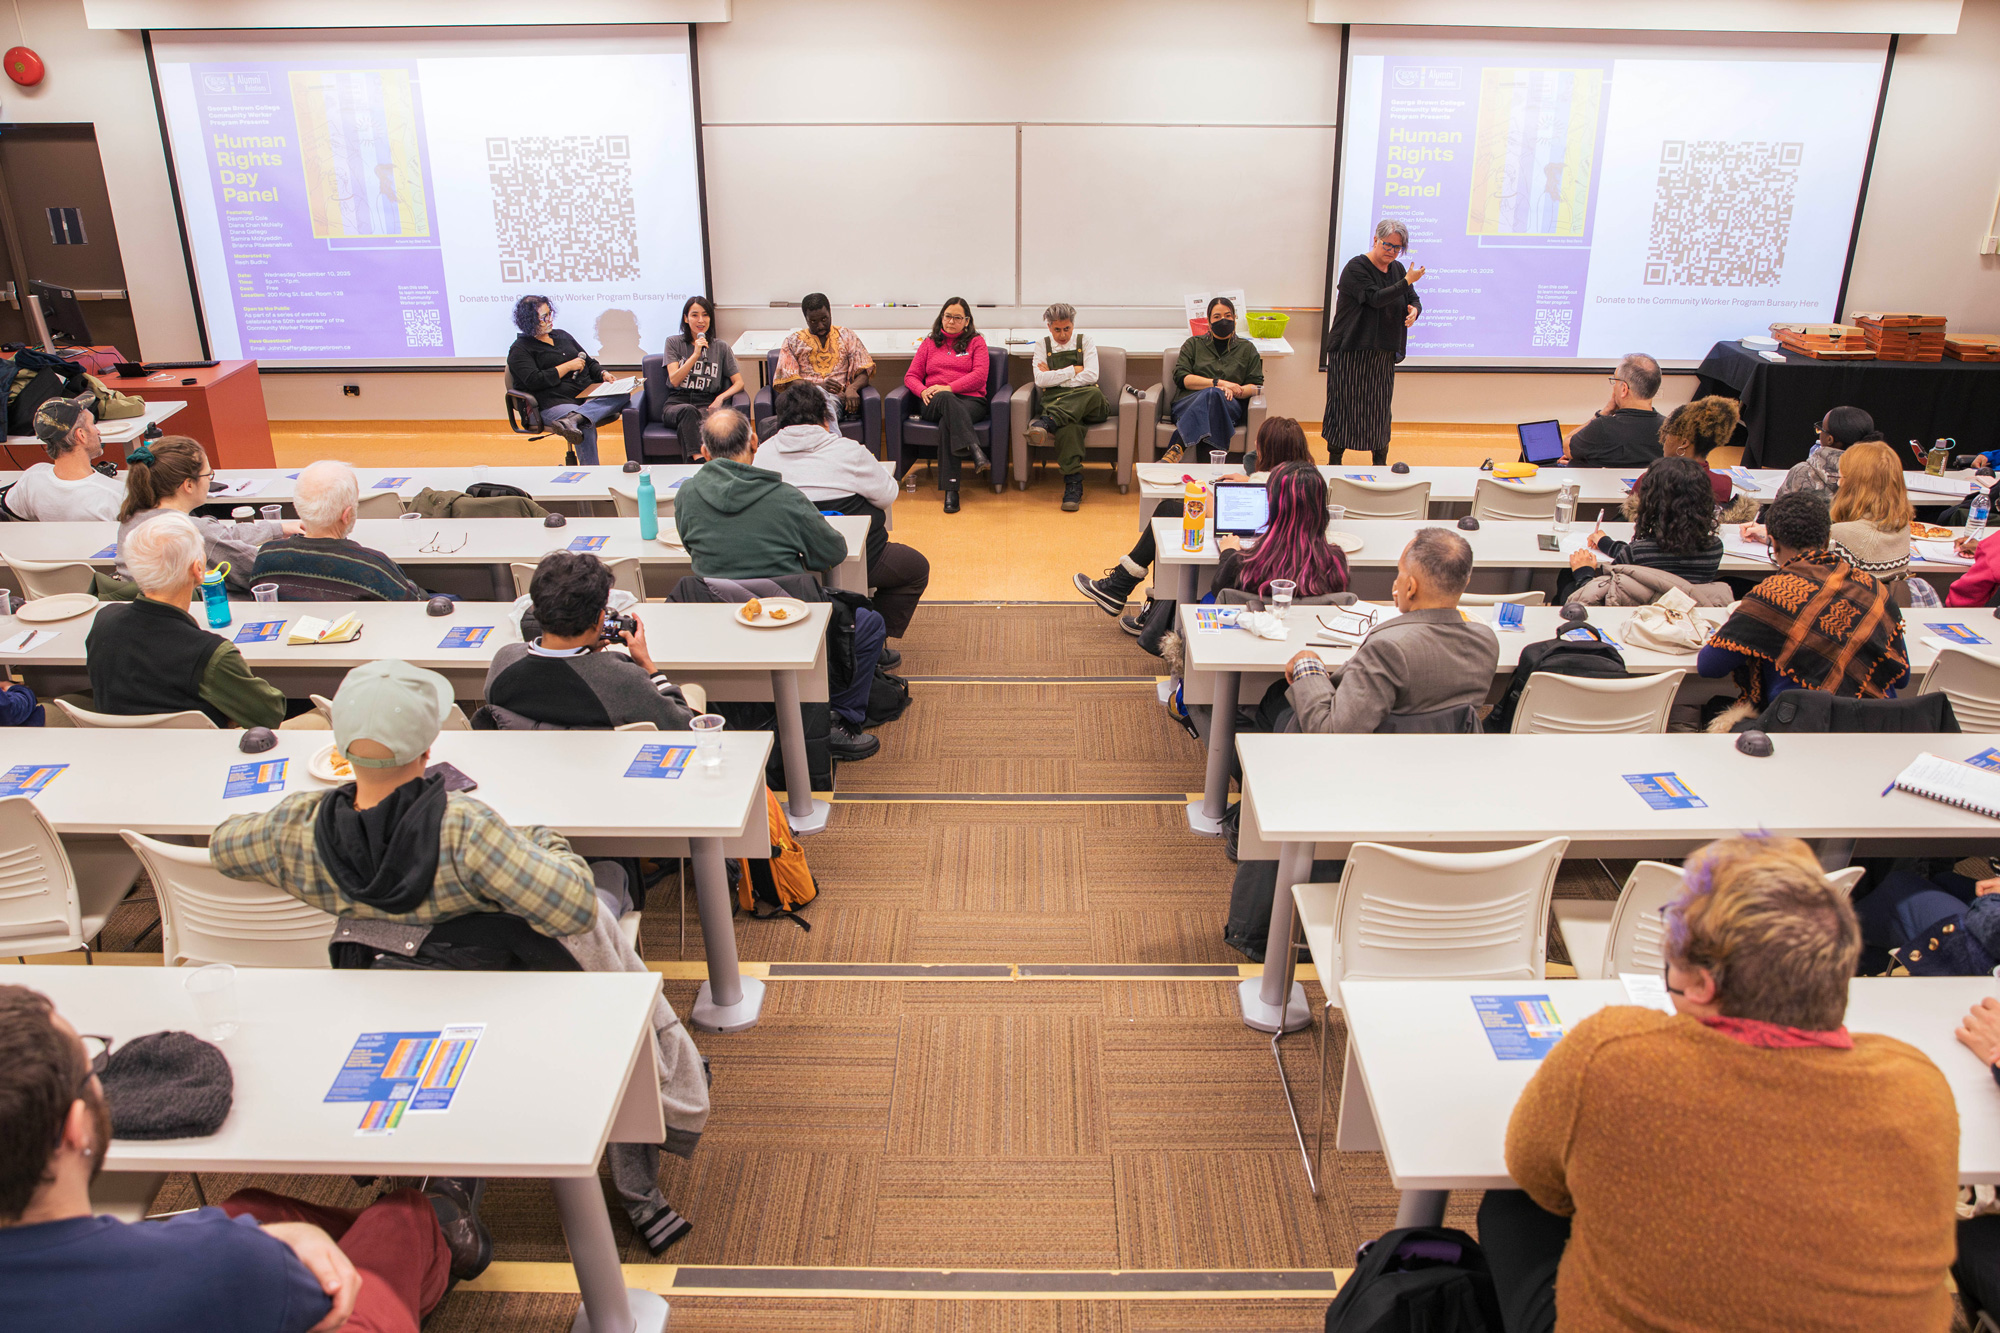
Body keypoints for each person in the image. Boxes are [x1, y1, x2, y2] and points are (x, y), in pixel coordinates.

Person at [209, 661, 703, 1256]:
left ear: (339, 748)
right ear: (428, 749)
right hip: (502, 996)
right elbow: (572, 907)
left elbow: (223, 845)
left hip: (380, 989)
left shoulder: (298, 828)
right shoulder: (464, 829)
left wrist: (295, 812)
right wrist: (542, 840)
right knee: (607, 884)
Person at [1480, 835, 1958, 1333]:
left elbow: (1536, 1175)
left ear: (1702, 983)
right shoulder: (1918, 1084)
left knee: (1513, 1204)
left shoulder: (1612, 1054)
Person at [0, 984, 491, 1333]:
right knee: (401, 1217)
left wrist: (261, 1242)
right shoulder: (223, 1263)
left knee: (252, 1208)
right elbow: (323, 1298)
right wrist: (264, 1253)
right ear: (75, 1127)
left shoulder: (216, 1254)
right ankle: (435, 1234)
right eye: (93, 1067)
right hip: (272, 1294)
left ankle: (433, 1239)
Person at [679, 410, 878, 760]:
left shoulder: (687, 494)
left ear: (704, 452)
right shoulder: (784, 496)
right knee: (869, 625)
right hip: (786, 621)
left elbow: (690, 547)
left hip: (713, 621)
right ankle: (838, 719)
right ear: (755, 442)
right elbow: (832, 552)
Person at [1073, 416, 1317, 635]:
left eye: (1259, 442)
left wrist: (1205, 490)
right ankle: (1134, 596)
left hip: (1249, 567)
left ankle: (1128, 591)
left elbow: (1221, 517)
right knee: (1169, 513)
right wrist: (1249, 479)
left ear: (1269, 451)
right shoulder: (1307, 481)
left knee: (1169, 513)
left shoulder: (1265, 488)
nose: (1254, 444)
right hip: (1282, 569)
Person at [1698, 491, 1910, 710]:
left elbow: (1709, 666)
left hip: (1803, 723)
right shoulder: (1874, 589)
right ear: (1827, 539)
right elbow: (1902, 677)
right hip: (1877, 722)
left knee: (1714, 708)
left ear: (1774, 545)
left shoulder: (1772, 596)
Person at [753, 381, 930, 640]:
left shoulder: (763, 454)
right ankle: (867, 637)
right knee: (915, 569)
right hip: (855, 559)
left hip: (784, 563)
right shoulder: (850, 451)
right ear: (827, 418)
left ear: (780, 421)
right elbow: (888, 494)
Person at [1280, 527, 1499, 733]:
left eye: (1400, 572)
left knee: (1274, 707)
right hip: (1442, 754)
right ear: (1465, 582)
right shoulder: (1486, 641)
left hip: (1370, 755)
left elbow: (1332, 731)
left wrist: (1307, 664)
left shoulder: (1388, 649)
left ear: (1411, 587)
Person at [1124, 460, 1351, 657]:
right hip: (1309, 650)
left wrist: (1228, 552)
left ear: (1271, 506)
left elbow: (1220, 589)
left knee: (1203, 599)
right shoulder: (1336, 562)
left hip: (1240, 652)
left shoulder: (1248, 561)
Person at [86, 512, 286, 728]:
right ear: (199, 570)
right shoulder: (210, 653)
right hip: (206, 746)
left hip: (119, 744)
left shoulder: (103, 621)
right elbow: (271, 714)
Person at [484, 551, 697, 730]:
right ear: (600, 619)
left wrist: (586, 657)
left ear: (536, 609)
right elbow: (682, 724)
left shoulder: (503, 661)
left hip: (529, 762)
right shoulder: (620, 678)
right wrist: (647, 664)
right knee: (694, 691)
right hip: (611, 764)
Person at [117, 435, 297, 594]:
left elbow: (221, 538)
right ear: (188, 485)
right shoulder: (191, 531)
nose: (210, 481)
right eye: (208, 475)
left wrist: (278, 528)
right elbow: (262, 568)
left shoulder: (132, 519)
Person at [247, 460, 429, 601]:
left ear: (297, 507)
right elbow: (414, 605)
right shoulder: (372, 566)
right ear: (347, 516)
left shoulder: (266, 557)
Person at [1323, 218, 1423, 465]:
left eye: (1397, 248)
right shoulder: (1356, 267)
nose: (1392, 251)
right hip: (1351, 349)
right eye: (1387, 245)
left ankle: (1380, 463)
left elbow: (1412, 298)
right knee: (1343, 407)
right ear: (1375, 240)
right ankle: (1334, 461)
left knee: (1379, 411)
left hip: (1382, 352)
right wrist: (1407, 281)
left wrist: (1414, 310)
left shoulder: (1398, 270)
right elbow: (1375, 298)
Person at [1562, 454, 1724, 601]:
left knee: (1566, 581)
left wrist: (1584, 572)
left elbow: (1602, 592)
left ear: (1651, 501)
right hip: (1684, 613)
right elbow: (1651, 561)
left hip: (1637, 612)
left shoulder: (1637, 552)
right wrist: (1606, 543)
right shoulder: (1714, 548)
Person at [505, 295, 628, 465]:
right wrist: (567, 367)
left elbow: (588, 361)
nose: (550, 320)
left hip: (585, 396)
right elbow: (534, 380)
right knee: (585, 423)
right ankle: (592, 471)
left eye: (550, 314)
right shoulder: (519, 349)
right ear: (529, 320)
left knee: (622, 394)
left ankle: (575, 418)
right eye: (543, 317)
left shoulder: (562, 335)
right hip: (552, 403)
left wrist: (603, 374)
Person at [904, 297, 992, 513]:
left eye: (957, 318)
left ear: (967, 321)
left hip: (971, 401)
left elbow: (980, 376)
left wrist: (949, 387)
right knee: (945, 399)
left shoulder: (977, 342)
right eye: (948, 316)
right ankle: (974, 447)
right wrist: (922, 390)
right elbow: (911, 376)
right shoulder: (929, 343)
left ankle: (951, 490)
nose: (951, 321)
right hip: (934, 401)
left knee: (947, 423)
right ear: (941, 317)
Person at [1024, 303, 1109, 512]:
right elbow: (1040, 380)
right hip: (1057, 403)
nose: (1063, 335)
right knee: (1069, 427)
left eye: (1067, 329)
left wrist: (1055, 377)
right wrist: (1073, 370)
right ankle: (1073, 484)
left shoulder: (1085, 341)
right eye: (1057, 330)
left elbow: (1092, 376)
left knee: (1094, 393)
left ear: (1073, 325)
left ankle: (1048, 422)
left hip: (1090, 404)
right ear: (1049, 327)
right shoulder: (1042, 345)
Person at [1621, 396, 1758, 524]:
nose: (1663, 440)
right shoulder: (1724, 484)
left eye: (1667, 434)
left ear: (1684, 443)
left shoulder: (1651, 479)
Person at [766, 292, 875, 440]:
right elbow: (788, 380)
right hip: (802, 398)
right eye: (813, 321)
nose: (820, 325)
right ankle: (833, 441)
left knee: (823, 405)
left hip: (835, 398)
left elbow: (863, 371)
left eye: (824, 319)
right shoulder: (793, 341)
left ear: (830, 313)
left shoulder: (847, 336)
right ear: (806, 319)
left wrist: (852, 388)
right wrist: (819, 387)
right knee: (818, 395)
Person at [1168, 296, 1263, 459]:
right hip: (1188, 404)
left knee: (1214, 396)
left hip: (1229, 406)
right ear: (1209, 321)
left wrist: (1234, 390)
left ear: (1235, 318)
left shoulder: (1247, 349)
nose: (1223, 320)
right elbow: (1182, 378)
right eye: (1217, 317)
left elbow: (1256, 385)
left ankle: (1176, 448)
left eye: (1228, 316)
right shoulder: (1193, 344)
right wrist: (1218, 384)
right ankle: (1211, 468)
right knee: (1212, 394)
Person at [6, 396, 123, 521]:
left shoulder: (31, 479)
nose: (98, 431)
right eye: (93, 424)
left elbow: (9, 519)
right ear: (81, 435)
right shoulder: (117, 495)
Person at [657, 295, 743, 454]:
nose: (701, 320)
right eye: (695, 315)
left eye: (705, 315)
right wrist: (695, 354)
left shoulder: (721, 347)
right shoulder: (673, 343)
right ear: (686, 318)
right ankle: (699, 460)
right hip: (677, 403)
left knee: (697, 420)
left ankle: (695, 463)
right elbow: (674, 380)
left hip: (706, 403)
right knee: (688, 411)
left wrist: (720, 398)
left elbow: (739, 383)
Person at [1560, 353, 1664, 467]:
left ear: (1624, 389)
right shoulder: (1669, 429)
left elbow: (1567, 447)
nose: (1614, 386)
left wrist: (1604, 412)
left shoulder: (1602, 427)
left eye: (1615, 381)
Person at [1772, 404, 1877, 503]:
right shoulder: (1880, 473)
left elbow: (1779, 510)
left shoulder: (1801, 472)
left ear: (1829, 439)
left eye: (1821, 428)